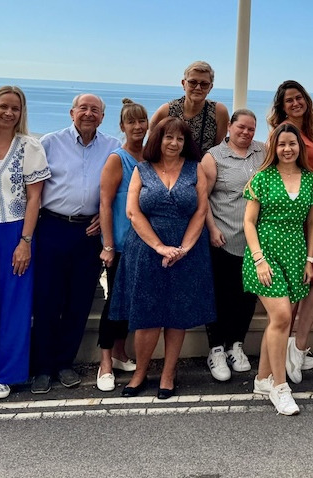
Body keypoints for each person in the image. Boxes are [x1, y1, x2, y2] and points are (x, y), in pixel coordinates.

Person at [109, 117, 214, 400]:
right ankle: (140, 372)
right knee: (146, 315)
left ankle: (168, 374)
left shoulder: (195, 169)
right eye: (168, 137)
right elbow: (133, 212)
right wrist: (159, 247)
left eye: (180, 139)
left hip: (187, 252)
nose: (174, 143)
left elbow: (201, 211)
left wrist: (183, 248)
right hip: (145, 251)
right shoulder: (142, 170)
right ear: (158, 139)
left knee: (177, 313)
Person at [30, 94, 120, 394]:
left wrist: (102, 216)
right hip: (52, 227)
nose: (89, 114)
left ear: (103, 117)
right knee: (46, 300)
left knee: (78, 302)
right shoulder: (50, 143)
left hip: (90, 234)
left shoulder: (112, 147)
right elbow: (32, 188)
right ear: (72, 112)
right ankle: (42, 367)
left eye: (95, 110)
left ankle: (65, 363)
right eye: (83, 108)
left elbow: (120, 189)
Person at [242, 123, 313, 416]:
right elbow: (249, 222)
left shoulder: (311, 181)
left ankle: (262, 379)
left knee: (277, 323)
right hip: (264, 254)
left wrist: (310, 260)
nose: (287, 149)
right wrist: (259, 259)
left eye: (292, 143)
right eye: (281, 144)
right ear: (273, 148)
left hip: (295, 255)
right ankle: (280, 387)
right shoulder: (262, 178)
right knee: (281, 317)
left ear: (299, 148)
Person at [0, 86, 50, 401]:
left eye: (15, 109)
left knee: (14, 303)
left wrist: (25, 241)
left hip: (14, 230)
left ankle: (4, 375)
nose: (8, 113)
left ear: (21, 113)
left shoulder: (29, 147)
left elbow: (35, 198)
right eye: (3, 106)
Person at [267, 80, 313, 381]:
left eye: (299, 98)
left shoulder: (308, 134)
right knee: (302, 284)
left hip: (311, 213)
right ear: (281, 107)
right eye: (289, 100)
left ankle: (297, 346)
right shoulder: (282, 134)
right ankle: (289, 352)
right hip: (293, 218)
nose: (295, 103)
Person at [201, 109, 265, 382]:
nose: (246, 133)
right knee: (220, 295)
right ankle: (216, 348)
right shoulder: (213, 156)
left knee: (246, 296)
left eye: (251, 128)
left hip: (254, 241)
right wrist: (212, 229)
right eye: (241, 127)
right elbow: (202, 197)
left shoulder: (262, 152)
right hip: (223, 237)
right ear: (229, 126)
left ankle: (236, 345)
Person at [96, 99, 149, 392]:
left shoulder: (150, 157)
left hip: (144, 244)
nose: (138, 127)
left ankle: (119, 352)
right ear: (122, 127)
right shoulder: (118, 158)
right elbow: (105, 203)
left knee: (130, 303)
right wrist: (107, 244)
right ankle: (104, 362)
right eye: (132, 122)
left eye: (142, 121)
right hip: (120, 244)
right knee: (114, 303)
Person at [151, 61, 230, 155]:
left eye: (204, 84)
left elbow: (218, 150)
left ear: (210, 88)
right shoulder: (166, 111)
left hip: (203, 167)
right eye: (193, 82)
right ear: (183, 84)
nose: (198, 88)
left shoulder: (218, 112)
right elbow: (152, 143)